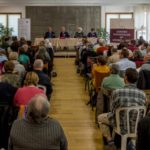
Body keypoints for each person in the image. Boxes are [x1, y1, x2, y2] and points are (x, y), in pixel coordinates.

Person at [98, 68, 146, 146]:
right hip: (136, 125)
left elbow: (112, 110)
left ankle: (110, 140)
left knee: (100, 118)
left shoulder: (116, 92)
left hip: (120, 125)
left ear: (125, 77)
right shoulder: (142, 94)